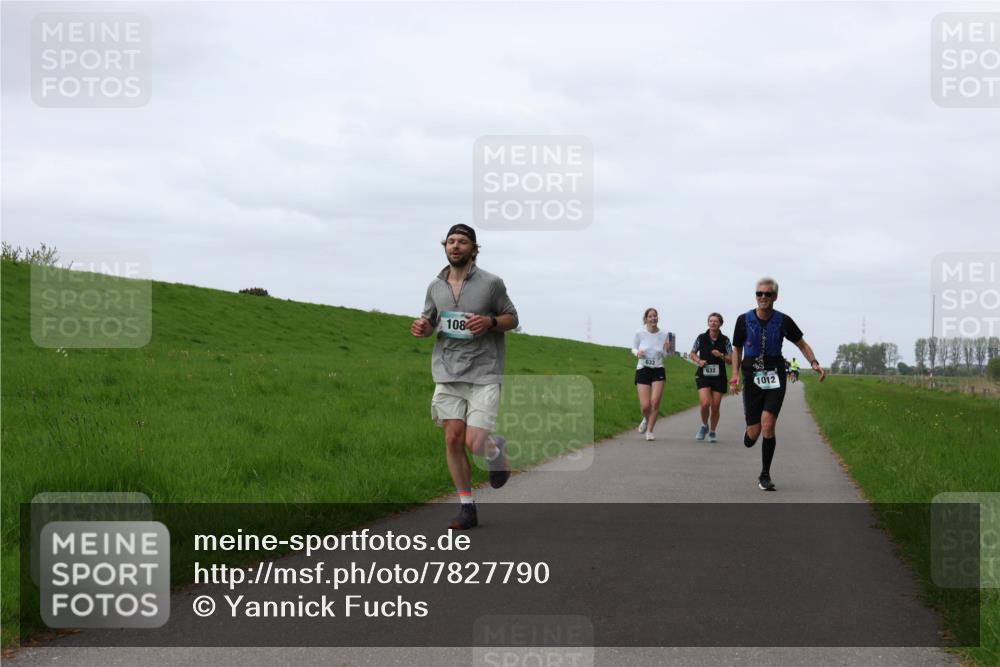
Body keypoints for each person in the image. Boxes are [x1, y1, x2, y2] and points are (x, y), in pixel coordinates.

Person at [411, 224, 519, 529]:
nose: (455, 246)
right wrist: (422, 327)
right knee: (453, 438)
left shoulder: (491, 283)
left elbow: (513, 317)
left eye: (462, 242)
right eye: (451, 242)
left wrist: (490, 321)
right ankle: (466, 506)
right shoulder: (435, 285)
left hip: (484, 370)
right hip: (447, 371)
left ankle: (495, 450)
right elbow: (429, 319)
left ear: (474, 248)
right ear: (445, 246)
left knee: (474, 443)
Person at [729, 277, 826, 491]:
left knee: (768, 424)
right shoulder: (743, 320)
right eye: (759, 293)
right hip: (752, 378)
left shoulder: (783, 321)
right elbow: (736, 349)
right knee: (753, 433)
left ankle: (765, 475)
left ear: (775, 297)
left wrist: (814, 362)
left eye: (767, 294)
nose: (763, 297)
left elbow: (801, 343)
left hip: (775, 377)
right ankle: (749, 433)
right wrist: (735, 375)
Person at [688, 312, 733, 443]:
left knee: (715, 406)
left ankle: (712, 431)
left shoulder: (725, 340)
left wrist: (721, 356)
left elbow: (731, 360)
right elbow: (692, 353)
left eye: (715, 321)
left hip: (719, 377)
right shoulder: (701, 337)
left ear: (720, 324)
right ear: (708, 323)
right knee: (704, 403)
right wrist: (698, 360)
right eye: (710, 321)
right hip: (703, 374)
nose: (713, 323)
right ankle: (704, 425)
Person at [632, 308, 672, 441]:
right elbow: (633, 348)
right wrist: (637, 353)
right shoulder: (640, 332)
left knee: (655, 403)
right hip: (643, 368)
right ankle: (645, 418)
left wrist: (667, 350)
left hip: (658, 369)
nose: (653, 318)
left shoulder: (665, 334)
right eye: (650, 316)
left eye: (655, 316)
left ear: (658, 318)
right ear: (646, 319)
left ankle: (650, 431)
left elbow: (666, 356)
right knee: (645, 406)